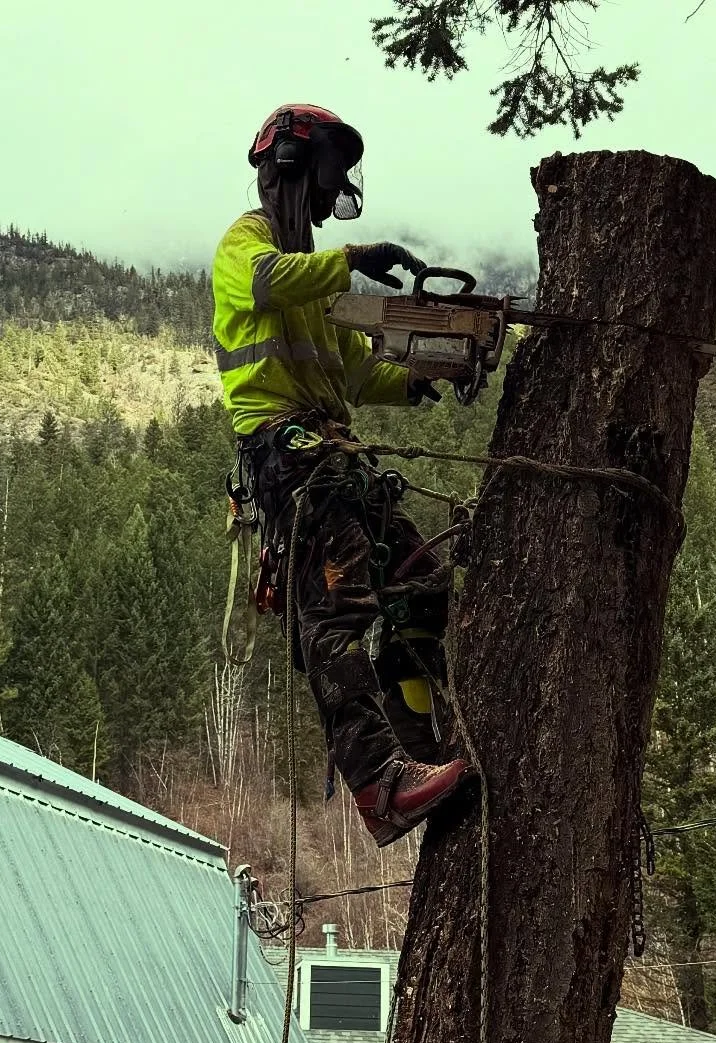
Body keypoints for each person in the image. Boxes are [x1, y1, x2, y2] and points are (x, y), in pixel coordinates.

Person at [212, 103, 468, 846]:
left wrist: (420, 378)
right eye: (328, 177)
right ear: (293, 168)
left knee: (421, 583)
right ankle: (378, 783)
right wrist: (353, 258)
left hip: (332, 452)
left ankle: (417, 746)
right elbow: (266, 283)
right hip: (285, 450)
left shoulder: (315, 283)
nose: (331, 197)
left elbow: (355, 369)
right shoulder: (248, 244)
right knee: (338, 612)